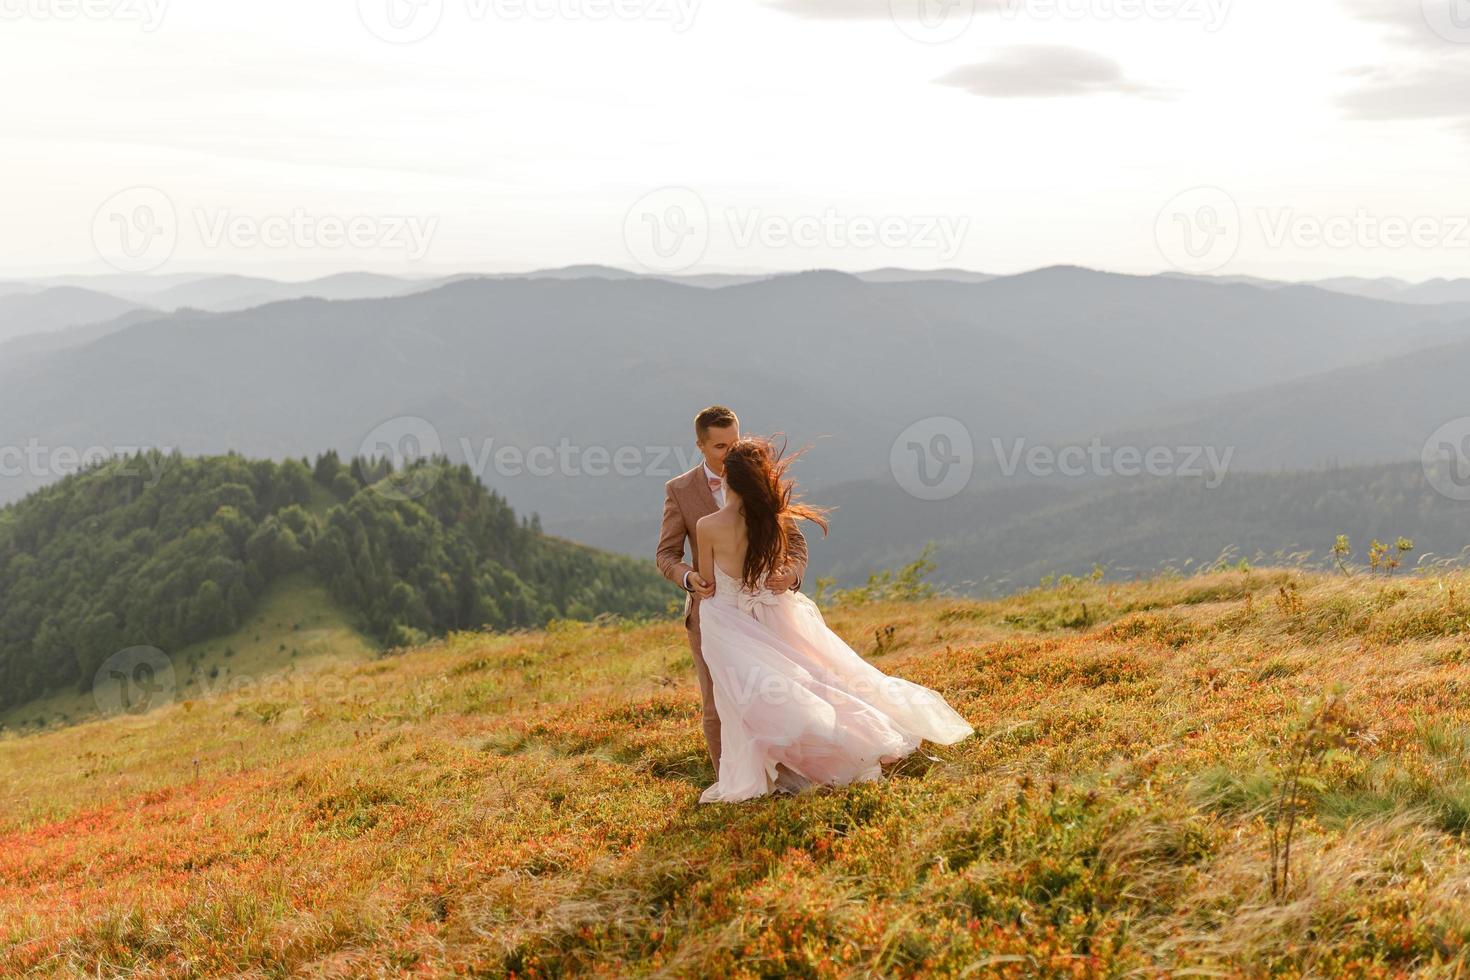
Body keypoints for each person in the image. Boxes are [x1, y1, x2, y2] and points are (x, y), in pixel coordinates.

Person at [690, 433, 974, 804]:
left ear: (727, 476)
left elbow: (707, 584)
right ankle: (848, 744)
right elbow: (778, 564)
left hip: (729, 623)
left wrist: (704, 585)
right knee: (818, 680)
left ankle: (786, 770)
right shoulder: (774, 521)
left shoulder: (708, 526)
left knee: (750, 700)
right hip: (777, 612)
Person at [656, 406, 808, 774]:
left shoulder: (760, 478)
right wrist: (690, 579)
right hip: (713, 614)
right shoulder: (680, 490)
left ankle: (784, 771)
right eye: (720, 447)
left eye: (735, 442)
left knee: (779, 692)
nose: (730, 453)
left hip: (764, 611)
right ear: (701, 446)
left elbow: (796, 542)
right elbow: (666, 555)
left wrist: (791, 574)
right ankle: (731, 781)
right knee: (717, 703)